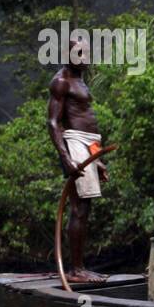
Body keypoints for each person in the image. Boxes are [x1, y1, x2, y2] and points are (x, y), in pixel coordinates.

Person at [47, 38, 108, 282]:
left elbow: (84, 120)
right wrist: (67, 158)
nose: (85, 58)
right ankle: (75, 270)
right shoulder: (61, 81)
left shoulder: (80, 80)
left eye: (87, 53)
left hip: (87, 144)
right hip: (73, 144)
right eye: (80, 53)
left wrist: (97, 159)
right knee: (79, 208)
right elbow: (53, 123)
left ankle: (79, 267)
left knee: (85, 207)